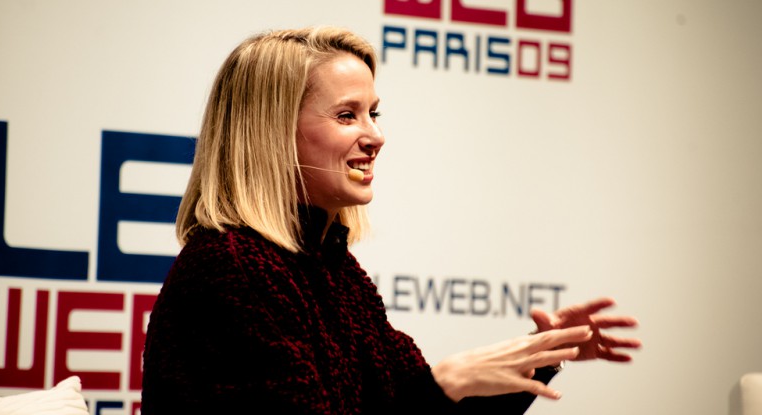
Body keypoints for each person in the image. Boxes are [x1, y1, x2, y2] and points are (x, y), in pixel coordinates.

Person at [141, 26, 641, 414]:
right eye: (346, 115)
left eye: (374, 114)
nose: (375, 137)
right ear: (271, 134)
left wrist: (540, 353)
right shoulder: (228, 269)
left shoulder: (337, 272)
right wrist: (441, 386)